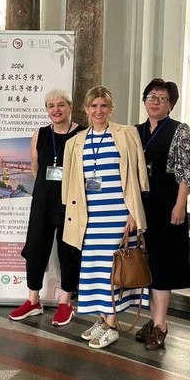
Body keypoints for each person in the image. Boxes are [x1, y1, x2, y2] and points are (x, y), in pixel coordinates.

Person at [62, 86, 149, 349]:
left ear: (111, 109)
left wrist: (133, 214)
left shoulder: (127, 133)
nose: (98, 110)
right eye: (94, 106)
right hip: (89, 216)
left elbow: (138, 175)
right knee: (95, 270)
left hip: (118, 214)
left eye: (103, 106)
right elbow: (69, 182)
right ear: (86, 109)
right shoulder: (75, 142)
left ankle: (111, 325)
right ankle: (103, 319)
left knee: (113, 270)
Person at [8, 89, 83, 326]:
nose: (56, 109)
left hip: (70, 202)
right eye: (51, 105)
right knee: (35, 248)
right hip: (42, 200)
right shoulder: (39, 134)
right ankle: (33, 300)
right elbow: (35, 168)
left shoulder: (82, 134)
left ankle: (65, 302)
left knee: (68, 251)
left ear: (70, 107)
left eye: (61, 105)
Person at [134, 79, 190, 349]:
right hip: (141, 207)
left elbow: (188, 171)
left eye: (162, 98)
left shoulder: (179, 130)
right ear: (144, 100)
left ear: (171, 105)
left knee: (162, 265)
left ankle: (161, 325)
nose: (156, 101)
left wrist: (180, 204)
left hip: (167, 206)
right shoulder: (135, 131)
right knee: (146, 266)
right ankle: (153, 320)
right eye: (151, 96)